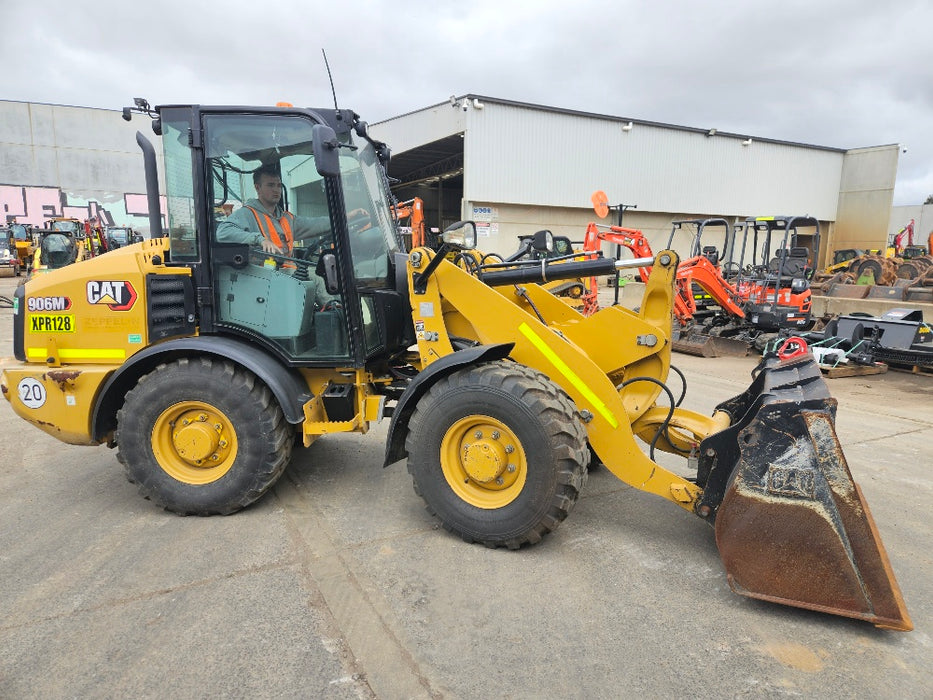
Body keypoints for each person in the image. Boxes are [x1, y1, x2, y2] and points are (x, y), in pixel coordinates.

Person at [215, 162, 331, 256]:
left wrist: (345, 218)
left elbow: (316, 224)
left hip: (289, 273)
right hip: (263, 276)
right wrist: (259, 239)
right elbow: (223, 232)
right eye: (270, 185)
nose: (276, 190)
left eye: (279, 185)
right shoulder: (247, 214)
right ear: (257, 188)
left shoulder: (287, 219)